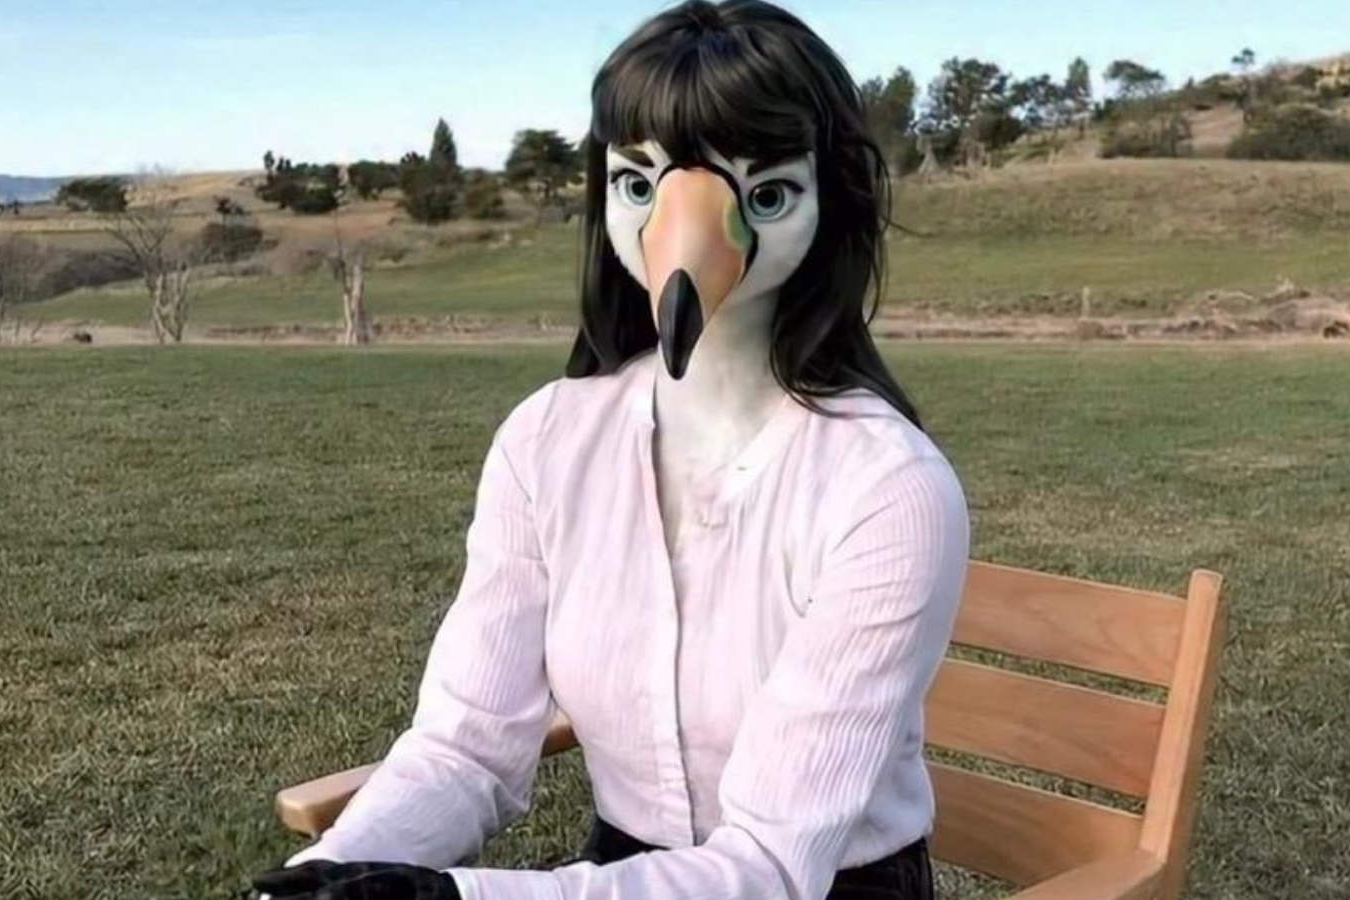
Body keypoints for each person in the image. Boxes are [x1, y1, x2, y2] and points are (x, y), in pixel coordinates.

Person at [252, 3, 969, 898]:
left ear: (831, 201)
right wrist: (327, 875)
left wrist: (450, 896)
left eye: (767, 192)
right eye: (639, 183)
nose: (682, 246)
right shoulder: (546, 442)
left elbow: (772, 867)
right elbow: (466, 746)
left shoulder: (887, 489)